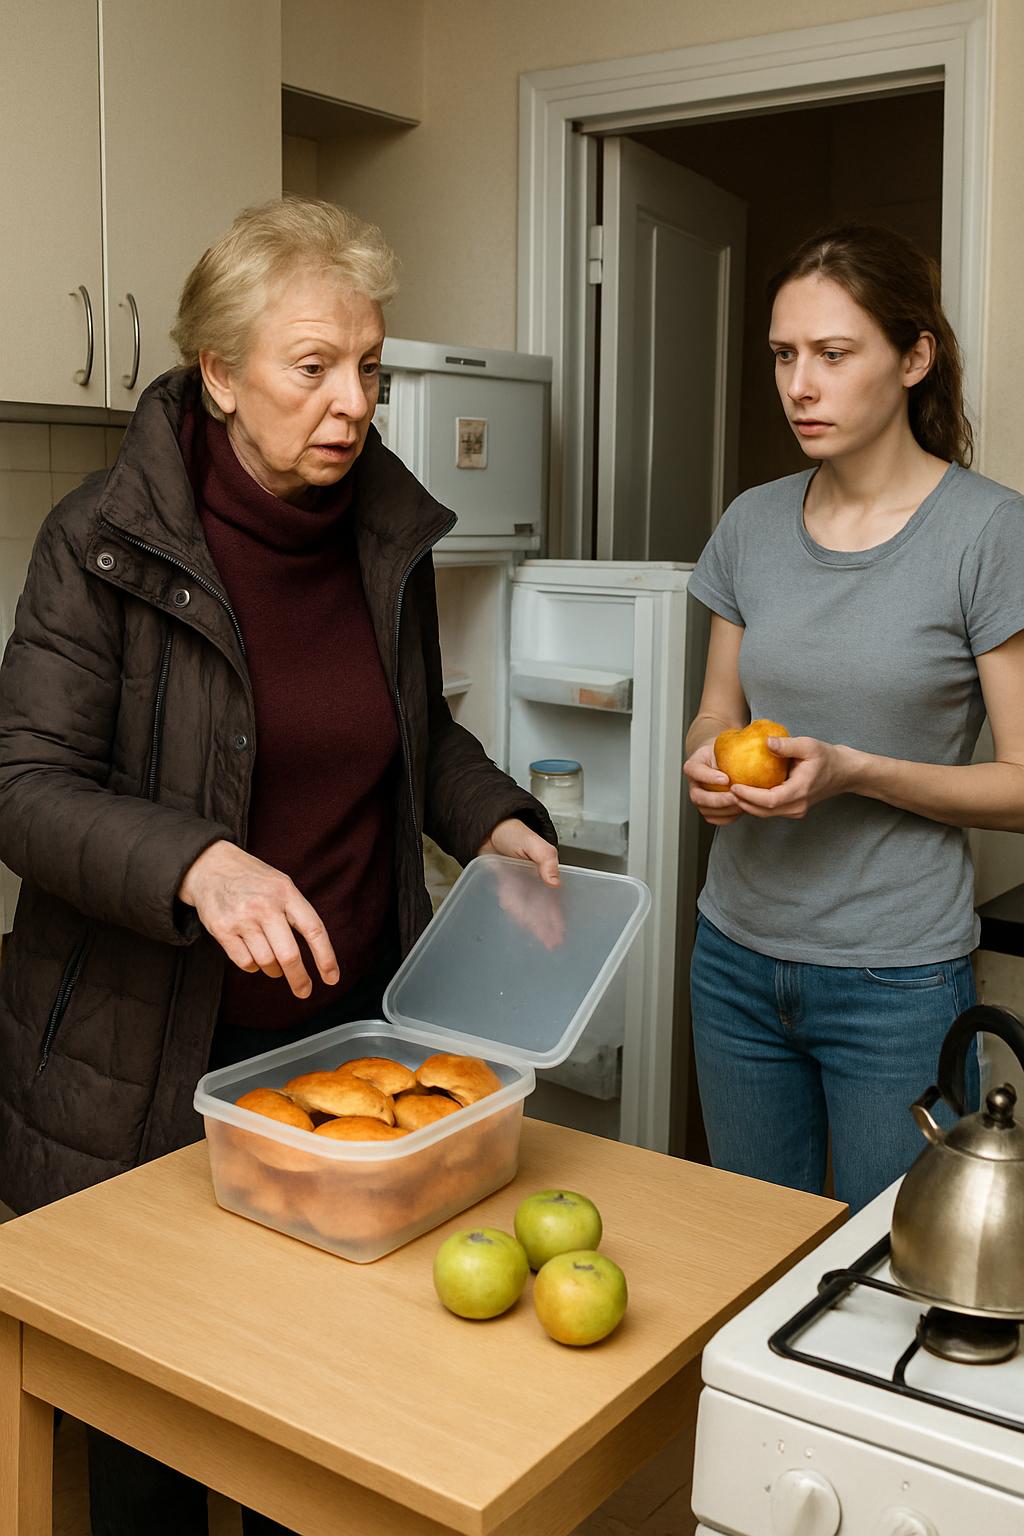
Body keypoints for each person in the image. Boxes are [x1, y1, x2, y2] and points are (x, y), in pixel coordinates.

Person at [0, 196, 558, 1534]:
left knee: (324, 1413)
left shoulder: (382, 537)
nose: (354, 400)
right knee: (162, 1436)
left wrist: (494, 817)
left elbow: (408, 734)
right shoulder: (98, 541)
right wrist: (200, 863)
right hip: (150, 1074)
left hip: (349, 1057)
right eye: (315, 368)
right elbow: (22, 788)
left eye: (369, 364)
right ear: (220, 374)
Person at [683, 223, 1024, 1215]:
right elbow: (716, 708)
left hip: (896, 980)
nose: (800, 384)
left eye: (833, 354)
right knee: (746, 1254)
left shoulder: (988, 533)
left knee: (887, 1272)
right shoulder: (749, 522)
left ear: (913, 358)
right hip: (733, 958)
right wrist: (706, 766)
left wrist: (851, 771)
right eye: (785, 355)